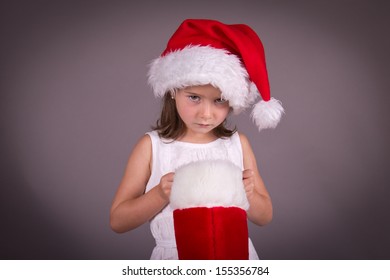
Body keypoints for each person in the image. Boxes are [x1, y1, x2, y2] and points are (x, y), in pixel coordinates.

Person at [110, 19, 284, 259]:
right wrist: (159, 194)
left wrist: (249, 193)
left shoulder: (237, 144)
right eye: (194, 97)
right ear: (173, 90)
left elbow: (264, 216)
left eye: (219, 100)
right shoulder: (152, 147)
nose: (206, 113)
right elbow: (118, 221)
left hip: (234, 256)